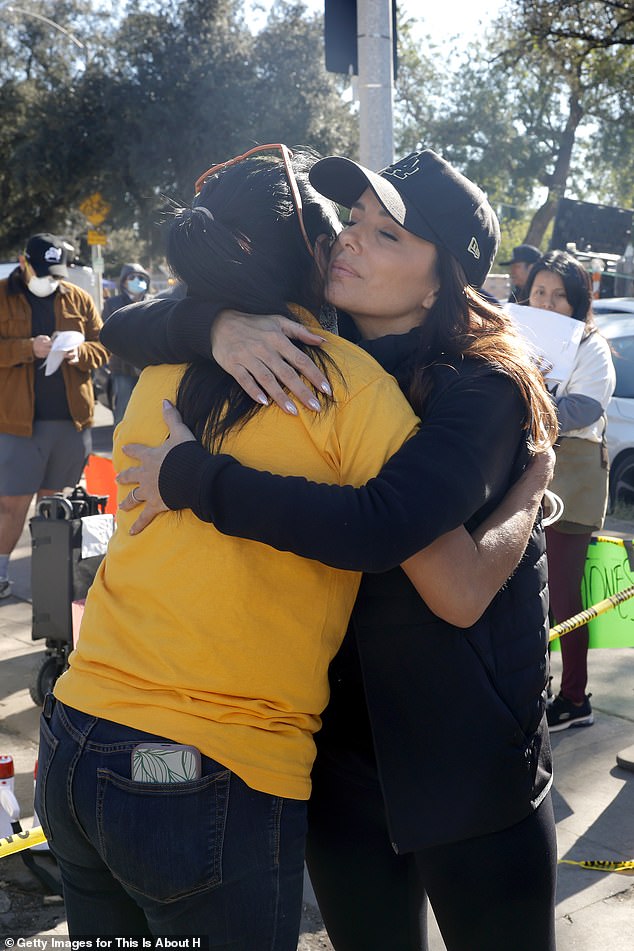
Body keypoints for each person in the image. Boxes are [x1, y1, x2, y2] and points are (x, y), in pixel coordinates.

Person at [35, 147, 541, 949]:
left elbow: (421, 556)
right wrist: (217, 323)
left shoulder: (476, 387)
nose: (350, 241)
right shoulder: (310, 353)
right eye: (352, 223)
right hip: (285, 766)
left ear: (445, 278)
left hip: (453, 767)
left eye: (387, 236)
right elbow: (126, 325)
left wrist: (529, 498)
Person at [522, 250, 616, 732]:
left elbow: (580, 410)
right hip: (527, 469)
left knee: (562, 593)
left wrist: (527, 398)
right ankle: (532, 690)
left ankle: (575, 696)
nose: (548, 302)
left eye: (560, 295)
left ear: (579, 302)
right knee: (522, 592)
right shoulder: (515, 334)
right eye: (540, 291)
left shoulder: (591, 346)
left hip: (573, 474)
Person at [0, 233, 109, 599]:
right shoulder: (3, 295)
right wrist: (26, 348)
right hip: (17, 423)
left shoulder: (78, 298)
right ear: (23, 262)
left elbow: (103, 344)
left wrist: (83, 355)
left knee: (54, 503)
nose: (51, 279)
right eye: (44, 271)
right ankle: (0, 574)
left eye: (57, 272)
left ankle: (50, 584)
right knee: (11, 504)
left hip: (71, 421)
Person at [102, 263, 152, 425]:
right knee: (123, 413)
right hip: (123, 369)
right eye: (132, 278)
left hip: (150, 368)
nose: (137, 280)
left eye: (141, 278)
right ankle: (120, 448)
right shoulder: (112, 304)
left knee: (152, 413)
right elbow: (107, 334)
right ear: (124, 282)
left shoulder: (155, 302)